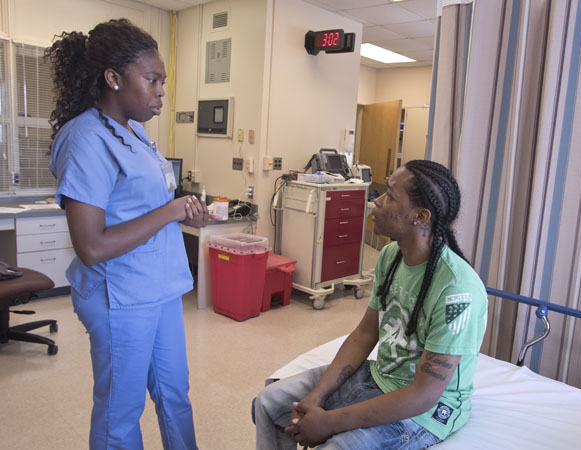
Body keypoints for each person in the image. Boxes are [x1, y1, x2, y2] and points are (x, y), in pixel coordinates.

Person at [46, 19, 208, 450]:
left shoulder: (136, 132)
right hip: (119, 295)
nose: (160, 91)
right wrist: (170, 211)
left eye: (163, 81)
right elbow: (92, 246)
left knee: (175, 395)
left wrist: (183, 212)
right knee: (121, 412)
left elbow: (143, 207)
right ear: (113, 79)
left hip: (160, 286)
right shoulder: (85, 139)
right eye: (152, 79)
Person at [254, 160, 488, 449]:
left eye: (389, 195)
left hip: (425, 412)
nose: (375, 202)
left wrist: (331, 421)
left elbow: (424, 395)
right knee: (269, 402)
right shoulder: (391, 256)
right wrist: (316, 396)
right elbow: (365, 334)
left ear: (420, 216)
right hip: (379, 377)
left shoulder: (458, 292)